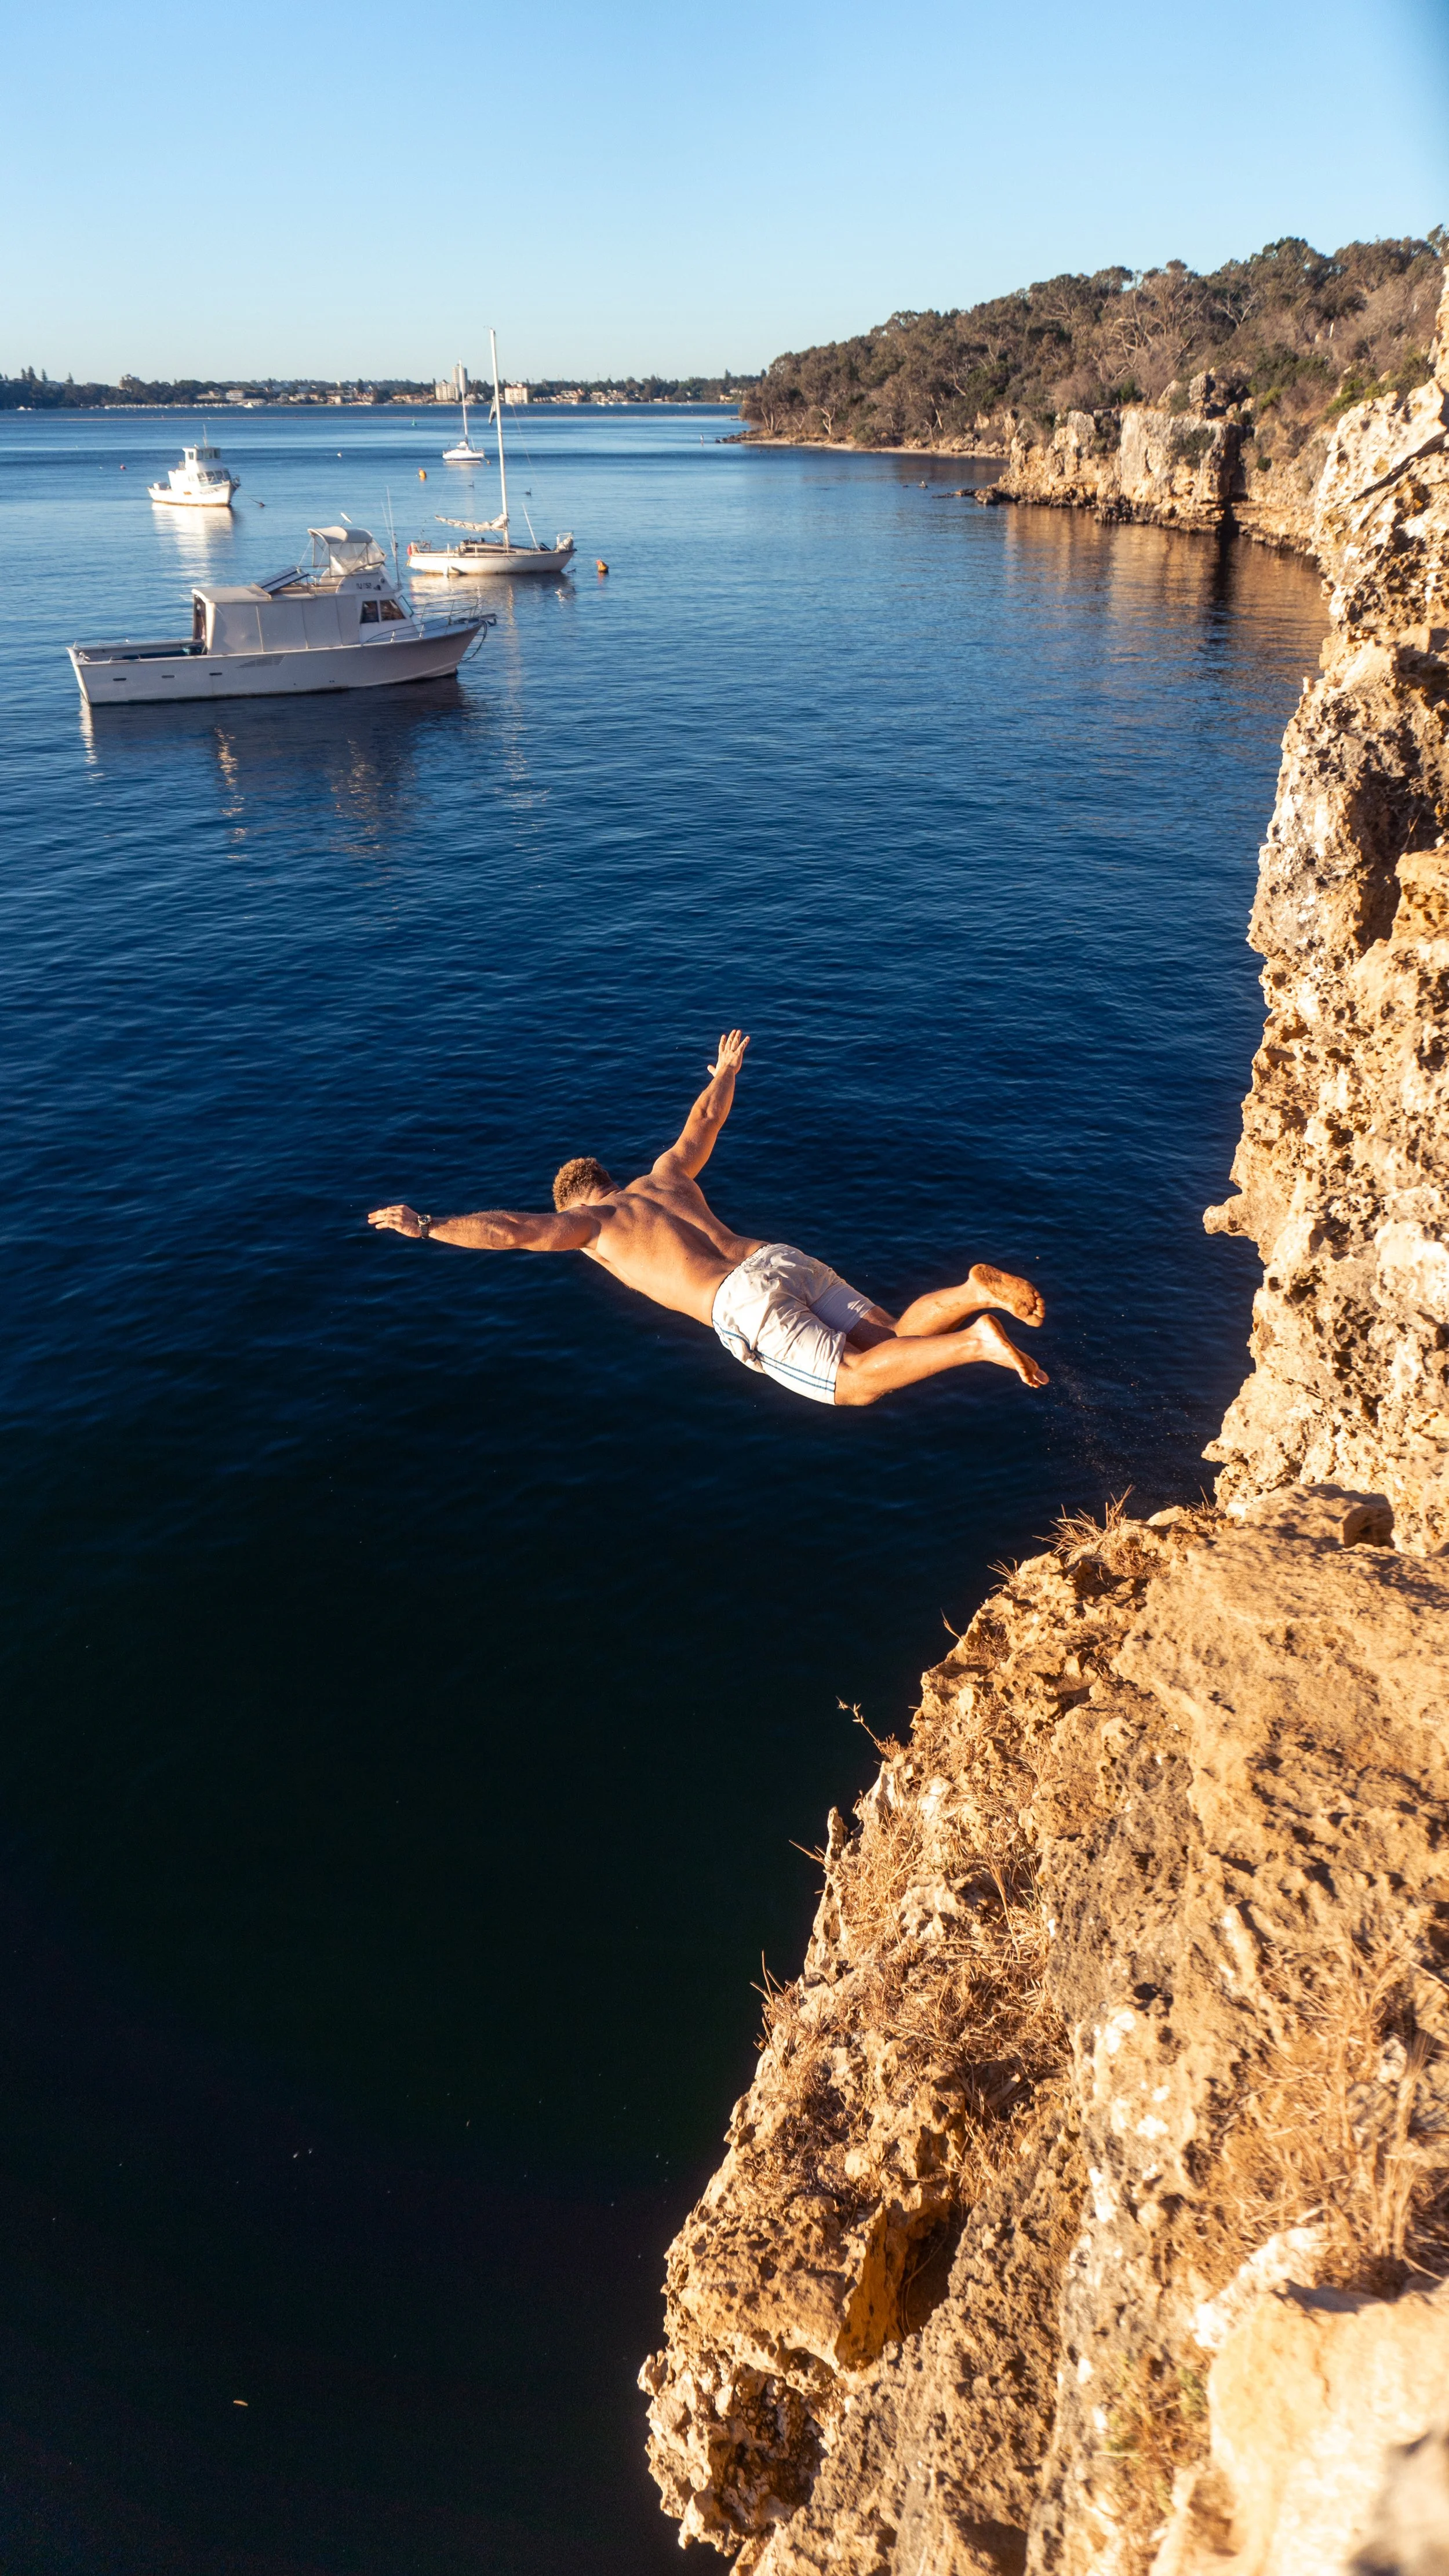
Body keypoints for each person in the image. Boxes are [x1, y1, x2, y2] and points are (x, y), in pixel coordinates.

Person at [367, 1032, 1048, 1409]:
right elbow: (704, 1121)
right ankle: (971, 1294)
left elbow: (513, 1230)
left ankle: (976, 1343)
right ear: (607, 1178)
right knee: (895, 1333)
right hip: (780, 1259)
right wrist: (725, 1069)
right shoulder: (666, 1176)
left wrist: (427, 1224)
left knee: (855, 1382)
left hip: (743, 1303)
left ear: (576, 1201)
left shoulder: (593, 1226)